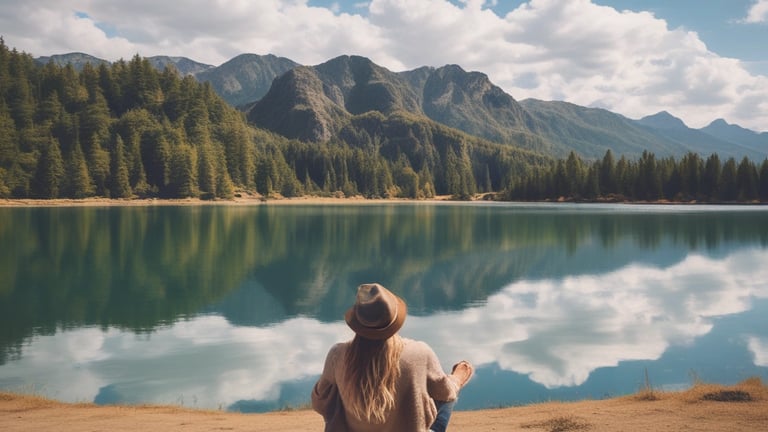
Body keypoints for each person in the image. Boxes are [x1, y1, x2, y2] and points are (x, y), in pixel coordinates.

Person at [312, 283, 474, 432]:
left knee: (334, 394)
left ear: (357, 320)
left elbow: (319, 403)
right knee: (445, 393)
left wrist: (346, 386)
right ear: (394, 320)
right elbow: (446, 392)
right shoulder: (420, 353)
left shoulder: (338, 354)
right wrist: (457, 379)